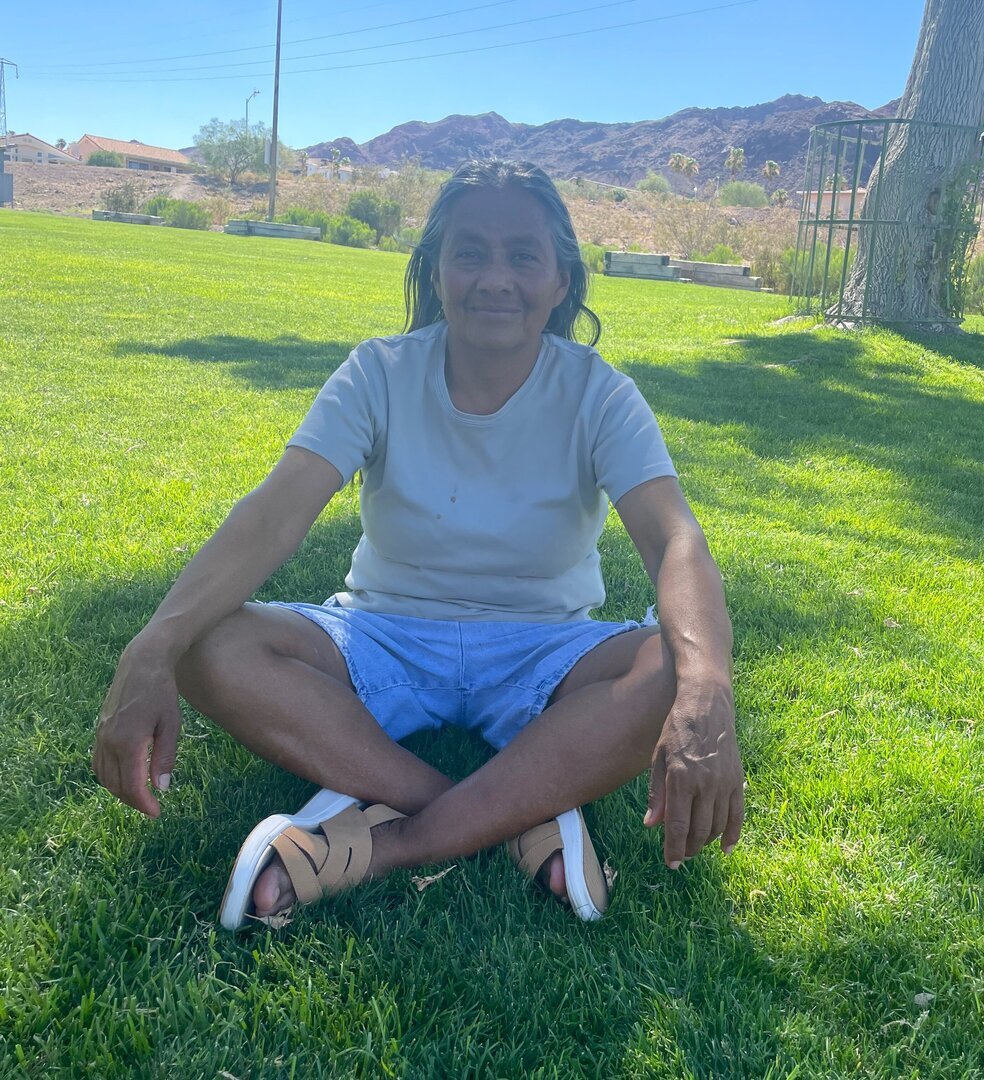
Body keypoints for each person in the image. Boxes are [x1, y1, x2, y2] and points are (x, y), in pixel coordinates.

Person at [92, 159, 744, 928]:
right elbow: (274, 514)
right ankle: (517, 815)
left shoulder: (600, 393)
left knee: (672, 666)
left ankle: (393, 843)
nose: (494, 279)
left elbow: (674, 539)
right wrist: (154, 644)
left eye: (522, 256)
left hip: (547, 647)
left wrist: (708, 686)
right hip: (381, 635)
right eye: (470, 253)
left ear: (560, 281)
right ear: (437, 271)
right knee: (207, 642)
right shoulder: (380, 373)